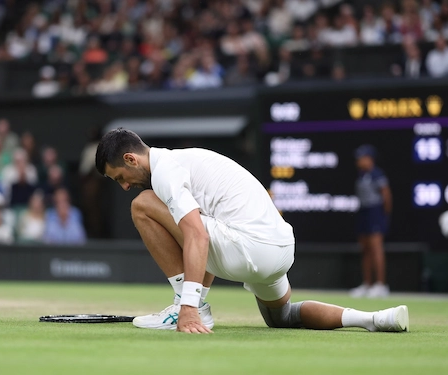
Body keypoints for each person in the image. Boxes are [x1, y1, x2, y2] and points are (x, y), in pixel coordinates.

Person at [94, 128, 409, 334]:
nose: (123, 185)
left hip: (247, 249)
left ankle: (184, 307)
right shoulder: (184, 162)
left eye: (120, 176)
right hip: (281, 249)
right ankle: (372, 319)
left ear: (131, 158)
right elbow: (207, 234)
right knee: (281, 317)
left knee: (142, 204)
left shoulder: (165, 175)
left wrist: (189, 308)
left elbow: (199, 237)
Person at [350, 145, 393, 298]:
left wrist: (383, 216)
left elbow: (386, 196)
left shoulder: (377, 174)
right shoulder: (361, 175)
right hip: (363, 212)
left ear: (370, 159)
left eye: (362, 158)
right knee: (365, 250)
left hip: (375, 212)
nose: (359, 161)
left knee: (376, 249)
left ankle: (381, 285)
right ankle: (367, 284)